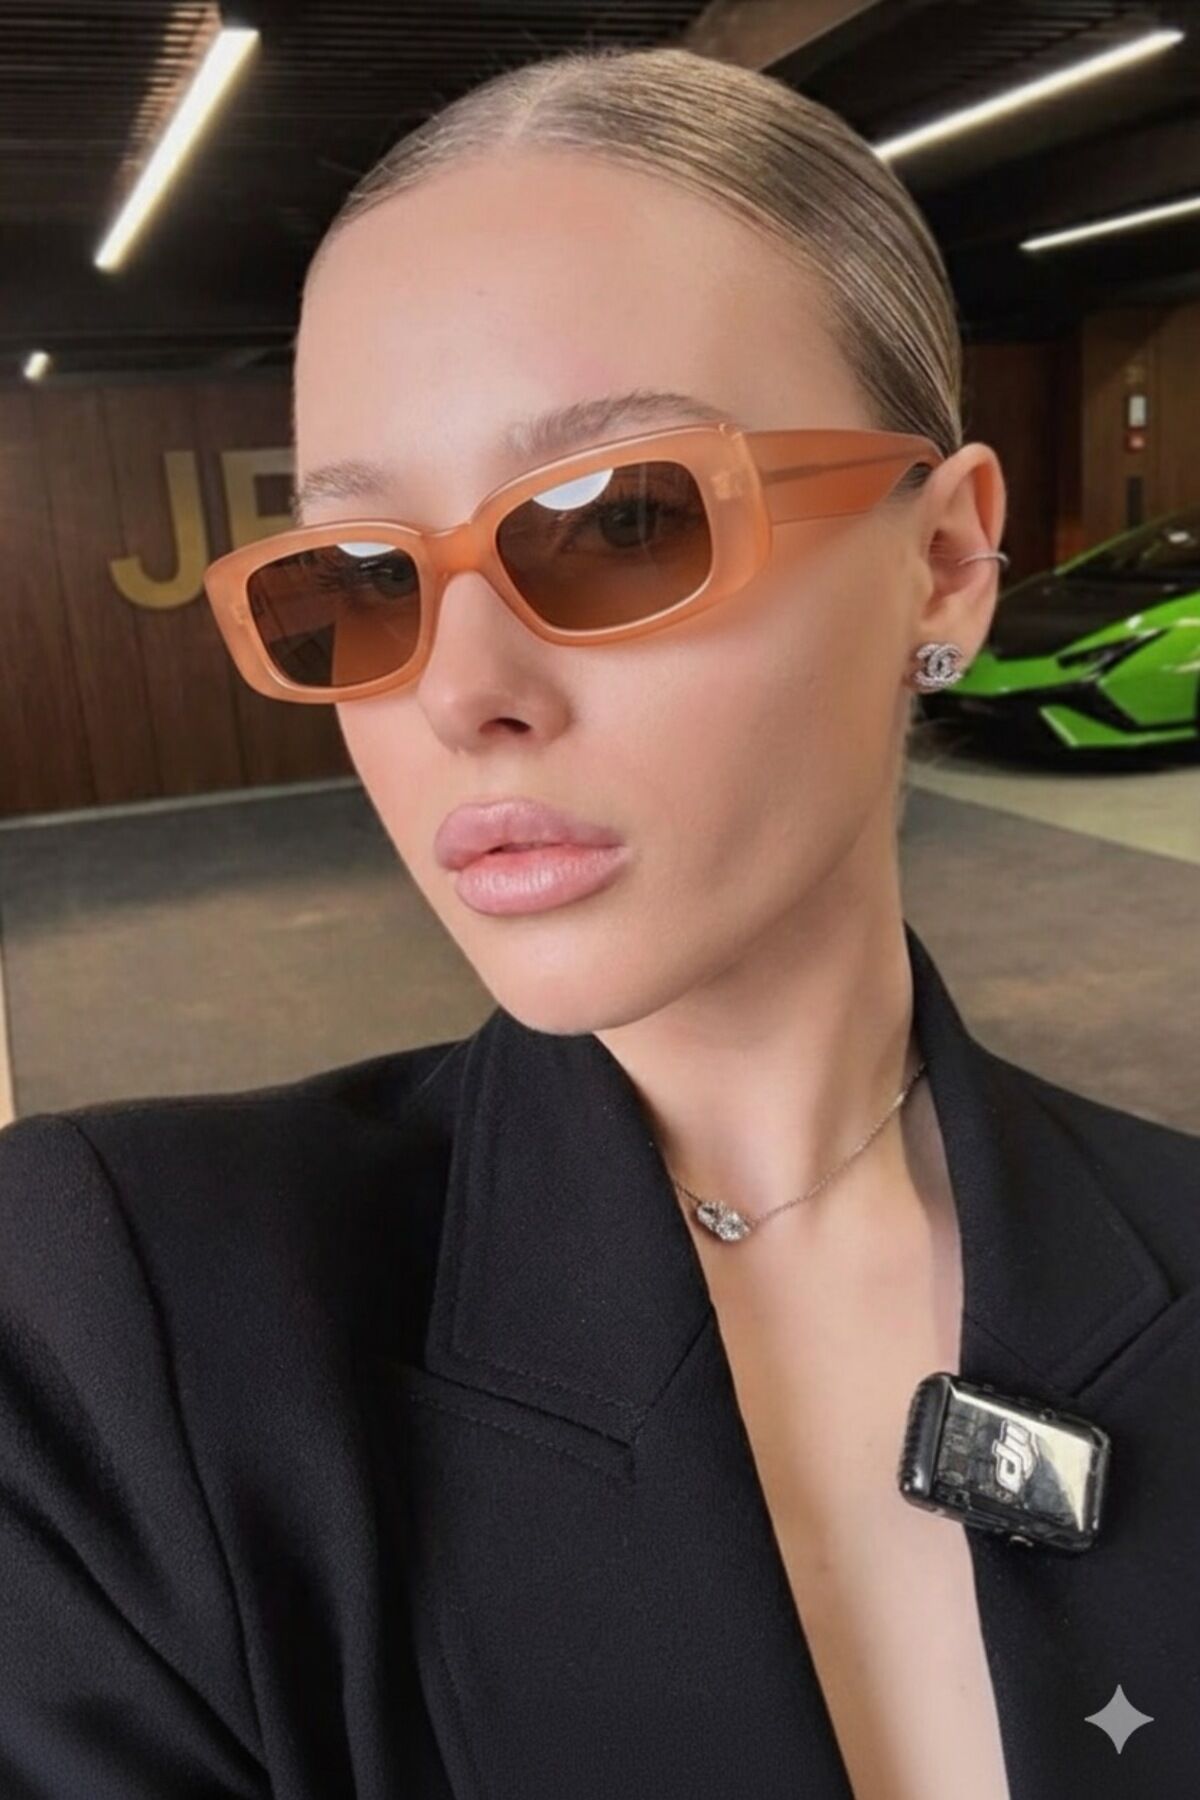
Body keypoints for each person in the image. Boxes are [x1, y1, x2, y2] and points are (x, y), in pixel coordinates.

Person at [2, 42, 1198, 1800]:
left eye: (619, 521)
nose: (457, 689)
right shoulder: (119, 1325)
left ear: (944, 562)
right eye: (361, 576)